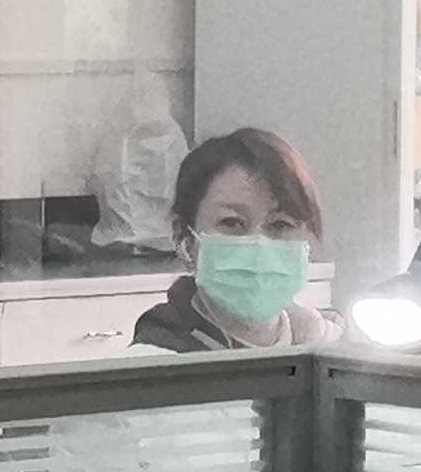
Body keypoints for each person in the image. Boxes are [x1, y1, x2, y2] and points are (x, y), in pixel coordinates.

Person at [131, 127, 340, 351]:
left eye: (280, 224)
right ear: (187, 240)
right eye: (232, 222)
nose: (259, 247)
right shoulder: (154, 362)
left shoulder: (327, 346)